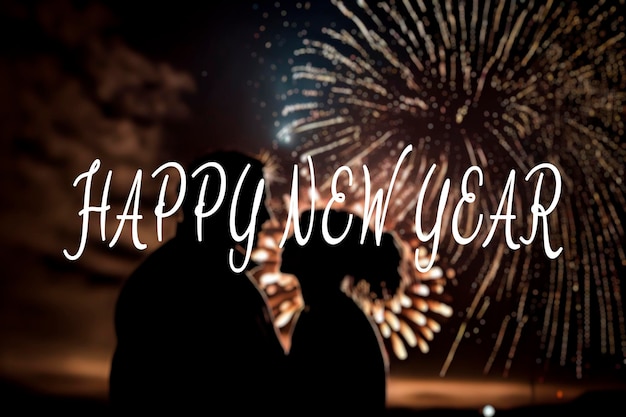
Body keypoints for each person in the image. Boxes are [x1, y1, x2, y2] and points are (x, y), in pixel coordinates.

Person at [109, 150, 286, 413]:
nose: (266, 217)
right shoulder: (199, 285)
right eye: (255, 202)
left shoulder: (167, 276)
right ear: (219, 202)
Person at [280, 209, 403, 414]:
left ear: (319, 254)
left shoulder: (327, 323)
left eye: (298, 235)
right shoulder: (333, 315)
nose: (286, 242)